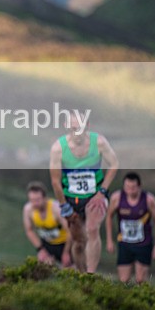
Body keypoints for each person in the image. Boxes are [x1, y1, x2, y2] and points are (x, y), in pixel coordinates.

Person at [49, 113, 118, 273]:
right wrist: (64, 206)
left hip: (95, 195)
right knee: (78, 241)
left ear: (87, 126)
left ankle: (91, 275)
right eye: (73, 129)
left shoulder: (99, 142)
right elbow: (55, 181)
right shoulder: (58, 148)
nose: (77, 133)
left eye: (80, 128)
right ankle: (81, 274)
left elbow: (114, 164)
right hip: (71, 198)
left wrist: (102, 191)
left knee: (92, 229)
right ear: (67, 126)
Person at [105, 172, 155, 284]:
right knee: (123, 281)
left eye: (133, 187)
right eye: (127, 187)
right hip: (124, 243)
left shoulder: (149, 200)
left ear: (139, 186)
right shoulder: (117, 198)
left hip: (143, 244)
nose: (130, 190)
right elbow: (109, 216)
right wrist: (109, 240)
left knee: (140, 280)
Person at [22, 181, 72, 267]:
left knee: (70, 269)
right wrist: (40, 249)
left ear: (45, 198)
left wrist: (66, 252)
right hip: (47, 243)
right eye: (32, 200)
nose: (35, 203)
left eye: (37, 200)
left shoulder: (56, 209)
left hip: (64, 244)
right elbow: (29, 230)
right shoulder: (28, 209)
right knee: (43, 268)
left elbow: (70, 231)